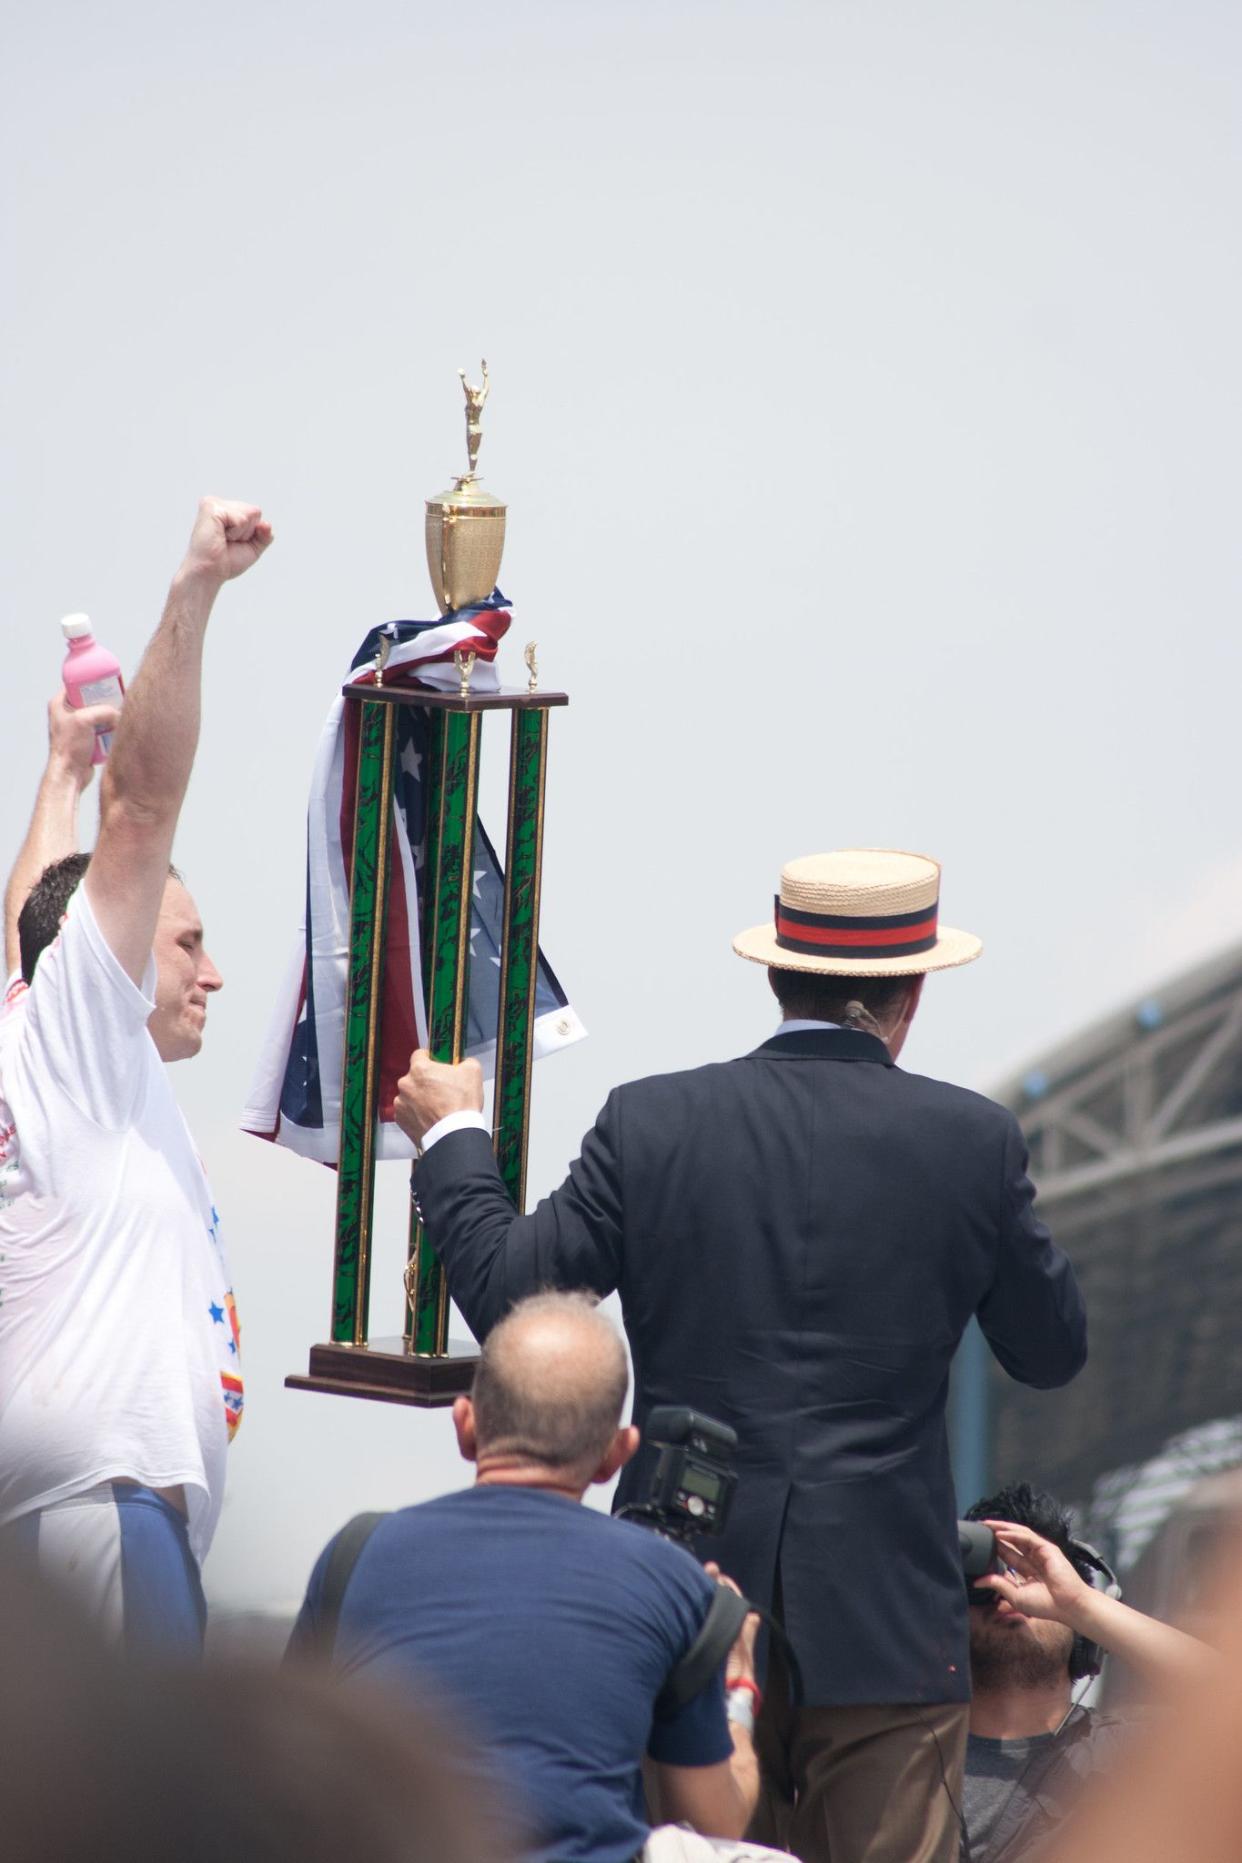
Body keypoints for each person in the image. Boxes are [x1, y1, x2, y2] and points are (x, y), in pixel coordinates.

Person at [394, 847, 1089, 1863]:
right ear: (914, 991)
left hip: (688, 1614)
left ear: (775, 974)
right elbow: (1051, 1349)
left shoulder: (653, 1121)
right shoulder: (972, 1140)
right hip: (888, 1632)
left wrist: (455, 1131)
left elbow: (510, 1295)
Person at [0, 496, 272, 1652]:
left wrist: (57, 772)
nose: (212, 972)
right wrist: (195, 589)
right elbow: (146, 805)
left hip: (82, 1512)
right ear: (101, 960)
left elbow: (27, 925)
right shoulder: (79, 1035)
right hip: (100, 1506)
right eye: (186, 942)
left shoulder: (38, 1038)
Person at [289, 1291, 788, 1863]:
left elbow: (283, 1755)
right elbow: (715, 1817)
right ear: (616, 1456)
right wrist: (737, 1692)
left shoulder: (355, 1555)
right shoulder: (674, 1587)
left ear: (465, 1424)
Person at [961, 1483, 1203, 1863]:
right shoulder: (900, 1758)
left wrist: (1077, 1603)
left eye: (1030, 1571)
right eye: (986, 1576)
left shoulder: (1141, 1754)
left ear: (1084, 1636)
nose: (1008, 1590)